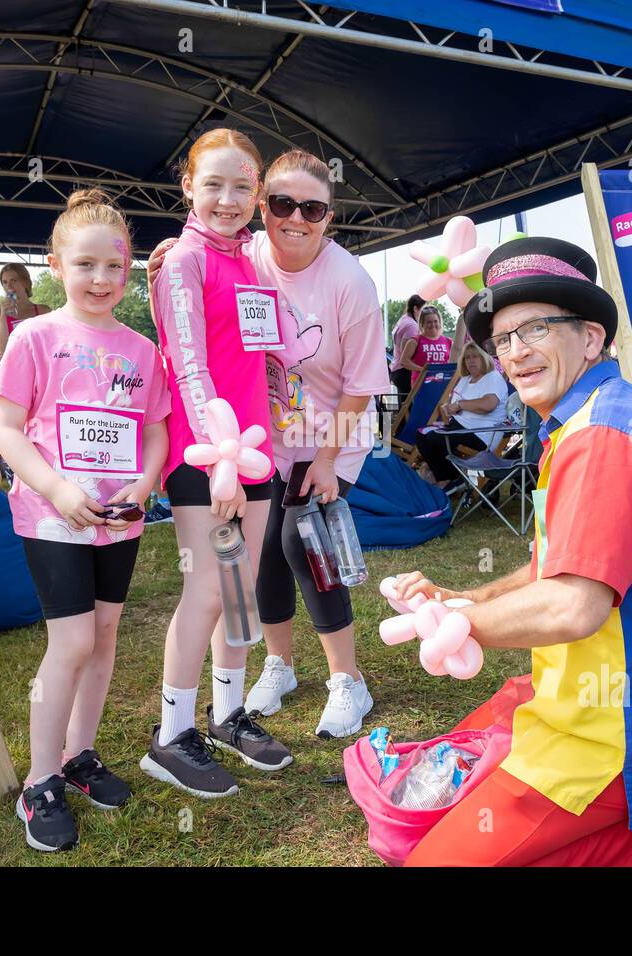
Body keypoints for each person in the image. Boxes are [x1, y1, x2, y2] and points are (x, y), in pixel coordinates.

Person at [392, 236, 632, 867]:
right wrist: (469, 597)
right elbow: (562, 560)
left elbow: (574, 605)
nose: (514, 353)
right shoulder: (597, 417)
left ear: (591, 338)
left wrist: (452, 627)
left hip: (616, 741)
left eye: (536, 328)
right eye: (501, 339)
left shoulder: (603, 436)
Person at [148, 149, 393, 740]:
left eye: (312, 208)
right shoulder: (248, 250)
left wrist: (329, 460)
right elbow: (205, 255)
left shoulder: (351, 283)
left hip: (332, 435)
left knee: (302, 540)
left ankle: (347, 680)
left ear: (330, 216)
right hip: (262, 436)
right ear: (264, 205)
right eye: (282, 203)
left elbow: (362, 388)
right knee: (257, 562)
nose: (296, 218)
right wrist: (165, 259)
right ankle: (279, 666)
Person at [0, 188, 172, 853]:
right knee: (70, 643)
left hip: (120, 520)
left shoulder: (142, 350)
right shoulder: (34, 336)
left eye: (114, 267)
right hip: (51, 516)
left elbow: (155, 432)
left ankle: (79, 756)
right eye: (85, 265)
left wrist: (147, 483)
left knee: (105, 633)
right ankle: (39, 784)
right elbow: (5, 429)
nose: (101, 279)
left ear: (129, 270)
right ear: (55, 266)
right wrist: (58, 488)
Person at [145, 128, 293, 800]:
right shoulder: (183, 260)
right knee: (208, 589)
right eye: (214, 185)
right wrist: (222, 460)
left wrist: (274, 379)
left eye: (241, 187)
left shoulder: (250, 261)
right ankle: (171, 736)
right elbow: (191, 365)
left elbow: (254, 350)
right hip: (205, 454)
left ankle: (228, 714)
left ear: (257, 193)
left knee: (240, 593)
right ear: (189, 188)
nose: (228, 199)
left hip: (254, 451)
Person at [413, 340, 509, 485]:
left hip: (481, 433)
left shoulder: (492, 377)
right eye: (467, 357)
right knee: (422, 434)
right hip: (460, 427)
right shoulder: (465, 379)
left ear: (484, 358)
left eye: (475, 356)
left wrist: (459, 405)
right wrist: (449, 407)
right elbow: (454, 403)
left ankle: (447, 477)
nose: (471, 361)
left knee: (433, 438)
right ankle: (447, 475)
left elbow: (488, 405)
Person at [0, 262, 48, 360]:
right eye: (5, 282)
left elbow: (51, 345)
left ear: (25, 282)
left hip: (40, 368)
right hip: (14, 369)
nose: (9, 286)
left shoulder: (43, 311)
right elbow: (1, 352)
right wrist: (3, 317)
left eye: (14, 280)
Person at [404, 305, 451, 386]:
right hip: (421, 385)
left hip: (443, 385)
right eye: (429, 322)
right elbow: (404, 361)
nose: (433, 324)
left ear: (439, 322)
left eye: (435, 321)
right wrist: (423, 370)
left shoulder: (448, 341)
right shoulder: (415, 341)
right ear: (422, 324)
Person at [389, 294, 424, 401]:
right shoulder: (412, 326)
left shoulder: (403, 320)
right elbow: (407, 353)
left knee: (404, 406)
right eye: (422, 310)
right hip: (404, 371)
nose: (424, 314)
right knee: (408, 408)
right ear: (415, 308)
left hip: (397, 369)